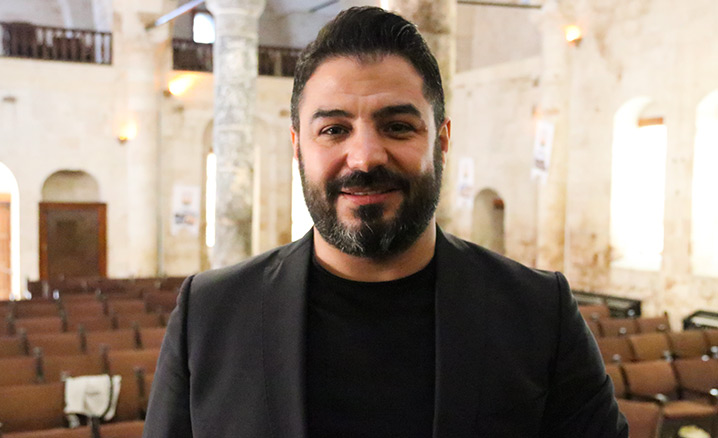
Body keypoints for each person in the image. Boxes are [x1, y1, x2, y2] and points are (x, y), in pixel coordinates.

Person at [144, 6, 628, 438]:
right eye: (334, 129)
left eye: (397, 126)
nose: (365, 157)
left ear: (441, 141)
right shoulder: (209, 316)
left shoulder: (539, 315)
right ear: (297, 147)